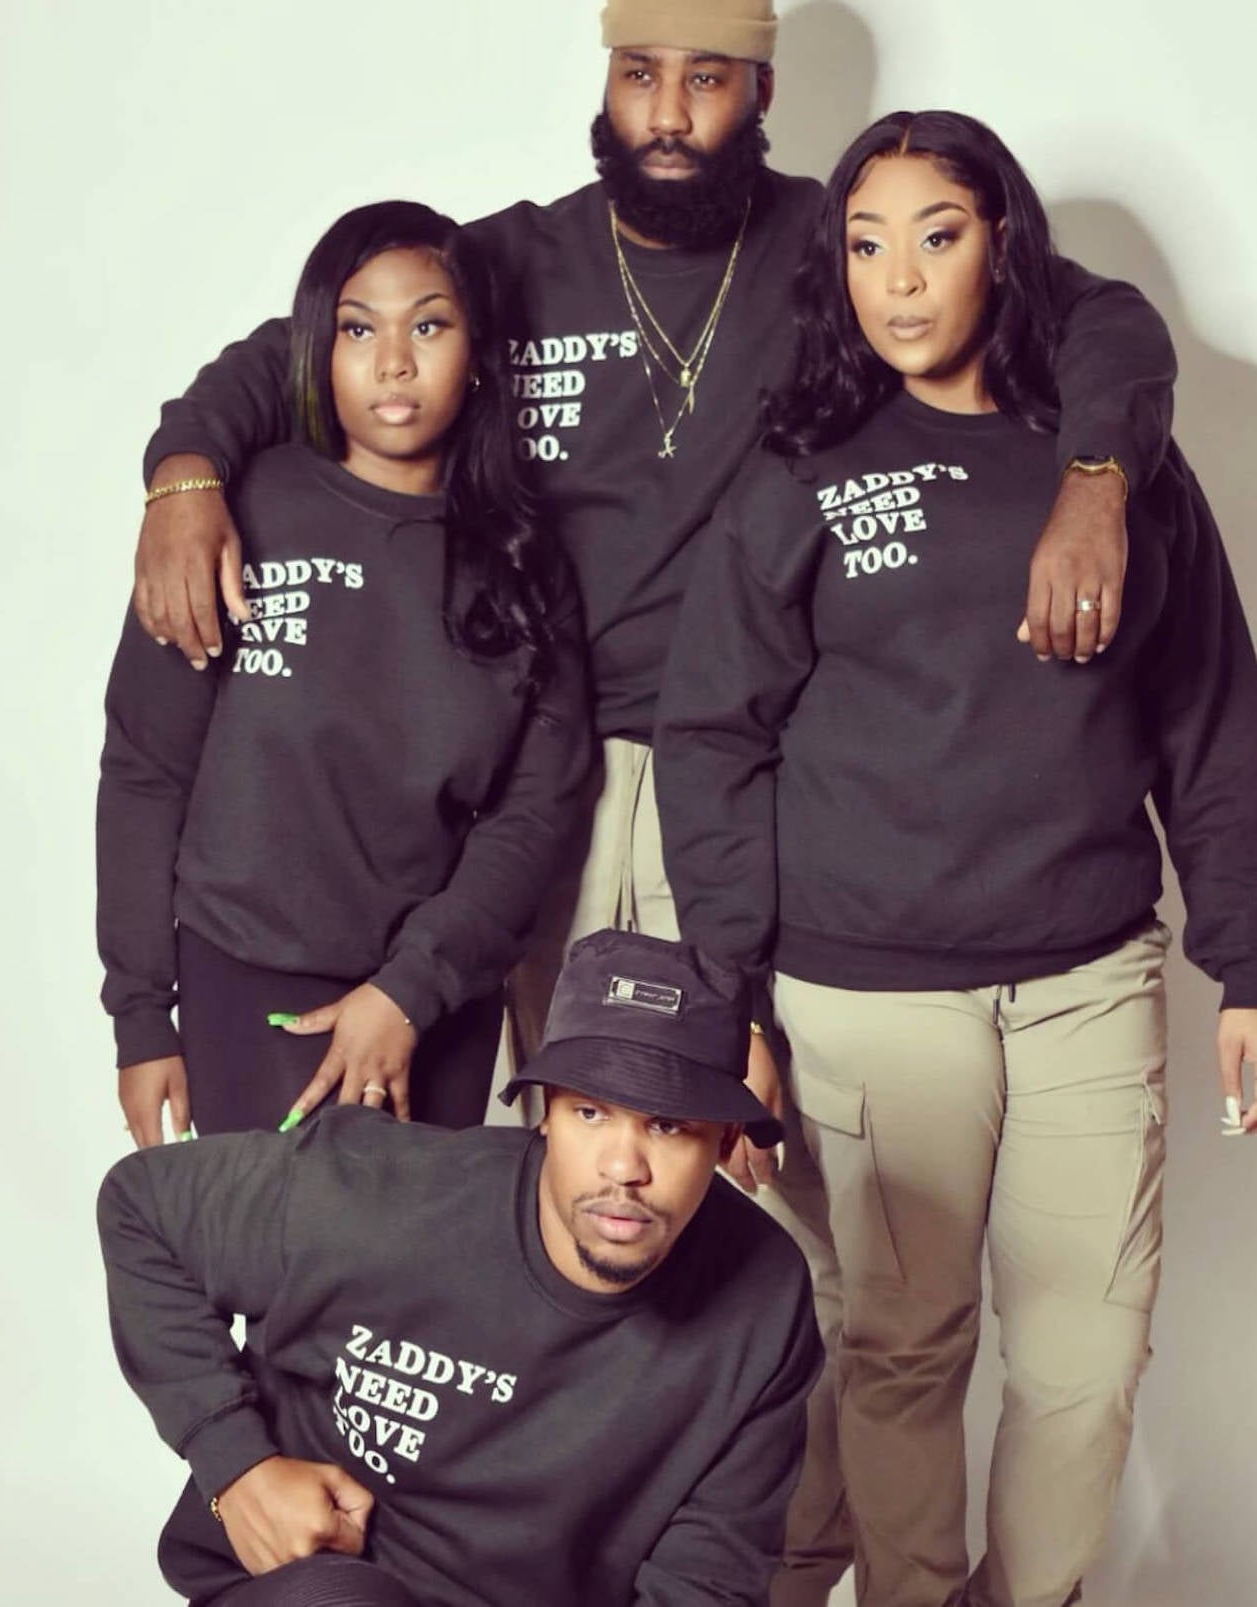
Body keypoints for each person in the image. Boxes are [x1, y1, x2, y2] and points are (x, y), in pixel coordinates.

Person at [123, 3, 1178, 1595]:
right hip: (537, 779)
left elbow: (1099, 322)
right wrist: (187, 474)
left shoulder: (849, 240)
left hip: (745, 772)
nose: (671, 112)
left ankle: (785, 1554)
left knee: (765, 1191)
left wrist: (1099, 478)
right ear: (602, 87)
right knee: (546, 1169)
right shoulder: (511, 263)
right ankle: (488, 1534)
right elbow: (303, 344)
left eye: (707, 78)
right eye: (640, 75)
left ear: (763, 92)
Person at [654, 108, 1257, 1607]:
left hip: (1084, 983)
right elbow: (713, 734)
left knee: (1087, 1358)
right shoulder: (801, 469)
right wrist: (730, 988)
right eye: (865, 242)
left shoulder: (1114, 464)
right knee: (899, 1352)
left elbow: (1213, 721)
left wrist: (1249, 955)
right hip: (865, 997)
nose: (899, 279)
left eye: (940, 234)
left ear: (1005, 247)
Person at [97, 928, 822, 1607]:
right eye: (592, 1113)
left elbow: (708, 1574)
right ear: (546, 1111)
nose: (623, 1168)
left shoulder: (764, 1299)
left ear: (725, 1137)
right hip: (331, 1583)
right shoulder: (379, 1193)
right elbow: (141, 1207)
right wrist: (236, 1466)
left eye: (669, 1125)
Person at [98, 201, 590, 1145]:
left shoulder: (527, 562)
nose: (393, 362)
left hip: (428, 995)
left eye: (430, 326)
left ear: (479, 348)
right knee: (270, 1277)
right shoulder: (240, 514)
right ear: (319, 348)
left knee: (412, 1282)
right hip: (238, 977)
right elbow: (144, 769)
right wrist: (138, 1017)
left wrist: (410, 990)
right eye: (359, 328)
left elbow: (537, 813)